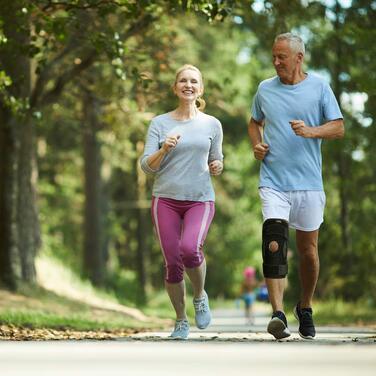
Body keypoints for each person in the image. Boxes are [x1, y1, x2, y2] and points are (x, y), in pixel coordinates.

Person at [248, 33, 344, 340]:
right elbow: (254, 122)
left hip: (309, 183)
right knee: (274, 241)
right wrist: (257, 145)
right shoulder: (265, 89)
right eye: (273, 56)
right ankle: (277, 314)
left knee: (308, 252)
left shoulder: (319, 88)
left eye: (282, 57)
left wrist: (311, 131)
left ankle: (304, 306)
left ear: (299, 58)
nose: (275, 62)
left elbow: (338, 127)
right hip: (273, 180)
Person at [140, 64, 224, 339]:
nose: (188, 85)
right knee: (172, 262)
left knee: (190, 249)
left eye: (194, 81)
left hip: (200, 199)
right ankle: (180, 320)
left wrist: (217, 166)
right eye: (183, 81)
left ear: (200, 89)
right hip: (165, 199)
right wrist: (164, 148)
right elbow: (146, 166)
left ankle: (199, 296)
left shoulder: (212, 124)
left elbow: (217, 158)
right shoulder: (160, 123)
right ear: (175, 87)